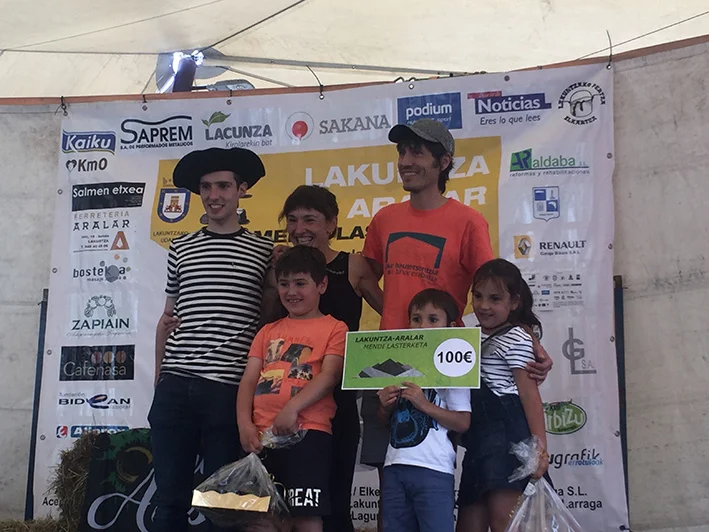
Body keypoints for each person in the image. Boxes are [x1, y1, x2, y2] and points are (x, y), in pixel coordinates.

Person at [360, 119, 553, 481]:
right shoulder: (384, 218)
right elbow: (363, 274)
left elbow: (496, 289)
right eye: (402, 152)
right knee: (390, 477)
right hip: (388, 357)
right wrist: (391, 309)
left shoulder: (467, 221)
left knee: (439, 474)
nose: (406, 161)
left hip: (444, 361)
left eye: (417, 152)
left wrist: (530, 338)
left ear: (444, 161)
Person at [149, 147, 277, 532]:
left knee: (223, 505)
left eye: (223, 186)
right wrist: (160, 377)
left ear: (241, 190)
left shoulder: (263, 251)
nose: (213, 195)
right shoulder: (181, 247)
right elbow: (168, 318)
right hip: (175, 386)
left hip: (227, 389)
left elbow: (269, 317)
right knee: (169, 498)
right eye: (206, 187)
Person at [278, 184, 383, 532]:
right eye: (292, 220)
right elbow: (264, 323)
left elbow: (393, 314)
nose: (299, 229)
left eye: (310, 219)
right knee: (283, 506)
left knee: (335, 500)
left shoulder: (352, 265)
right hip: (284, 399)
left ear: (332, 224)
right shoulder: (281, 265)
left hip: (337, 396)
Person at [237, 246, 348, 532]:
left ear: (322, 285)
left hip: (308, 433)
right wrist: (244, 424)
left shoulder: (336, 328)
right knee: (260, 517)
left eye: (300, 283)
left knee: (306, 516)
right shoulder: (267, 331)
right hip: (262, 437)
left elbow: (329, 376)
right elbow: (248, 380)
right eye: (284, 284)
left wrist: (292, 408)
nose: (291, 292)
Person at [456, 259, 549, 532]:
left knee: (504, 523)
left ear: (514, 302)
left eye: (495, 299)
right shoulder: (466, 338)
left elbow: (529, 395)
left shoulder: (518, 337)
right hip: (477, 440)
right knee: (468, 523)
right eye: (478, 296)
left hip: (507, 438)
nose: (484, 305)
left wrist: (539, 449)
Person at [377, 289, 471, 532]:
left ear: (450, 326)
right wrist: (385, 406)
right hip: (394, 465)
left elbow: (463, 422)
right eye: (416, 319)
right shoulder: (397, 365)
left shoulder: (455, 369)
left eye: (433, 319)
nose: (423, 326)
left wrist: (424, 404)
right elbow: (385, 421)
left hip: (434, 469)